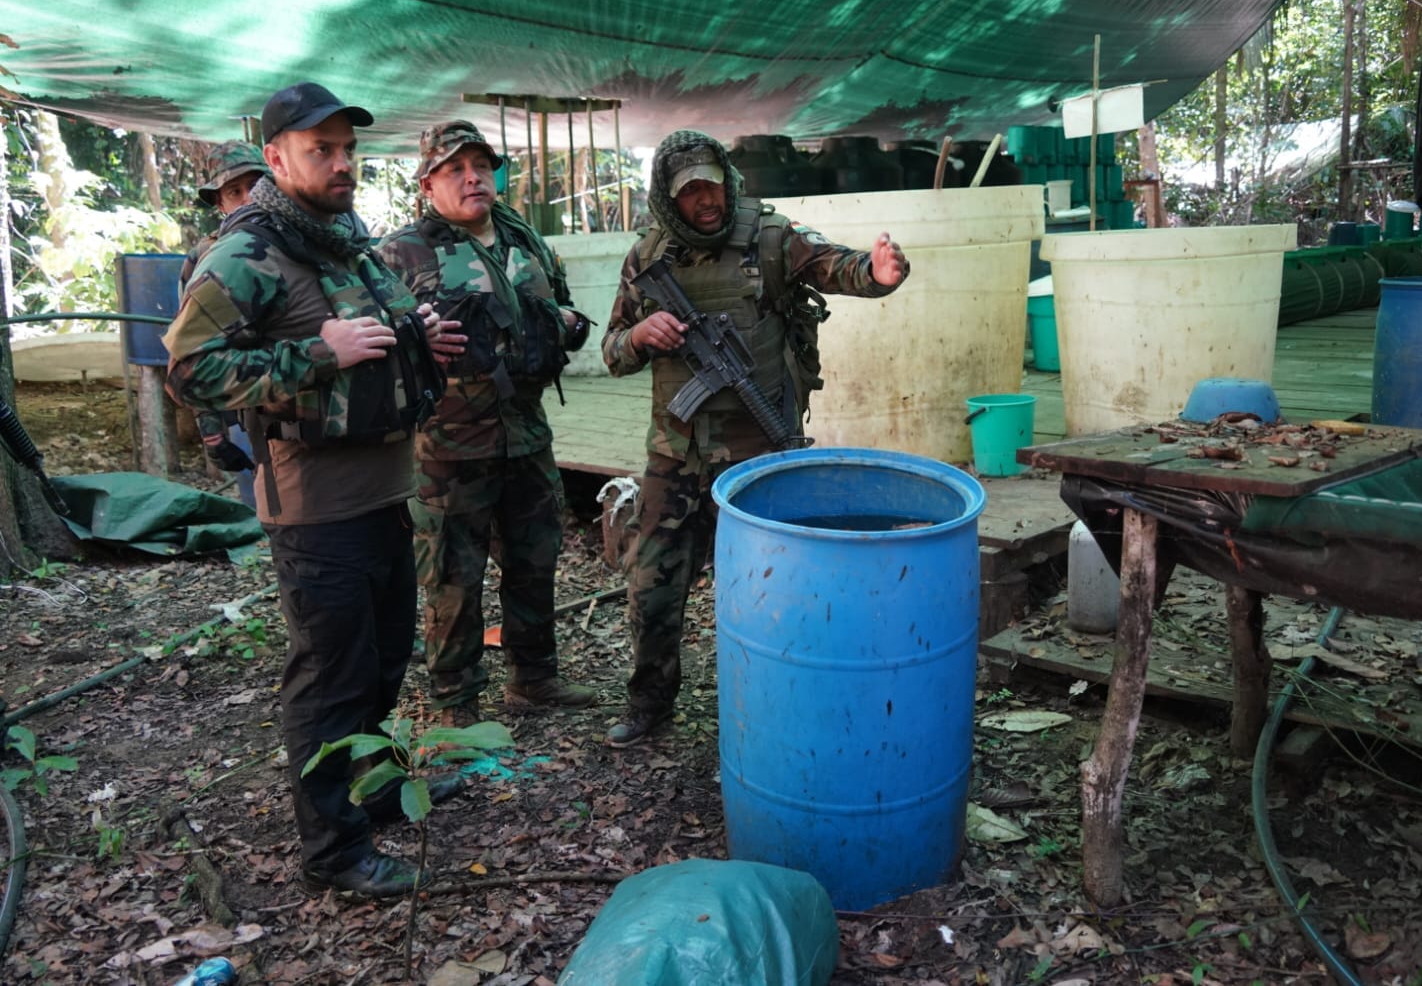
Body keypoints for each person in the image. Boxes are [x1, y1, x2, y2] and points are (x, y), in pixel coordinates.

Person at [162, 82, 463, 899]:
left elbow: (374, 330)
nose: (341, 164)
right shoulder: (249, 254)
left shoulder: (345, 242)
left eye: (347, 148)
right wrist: (317, 354)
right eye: (320, 149)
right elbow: (190, 370)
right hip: (314, 507)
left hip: (383, 491)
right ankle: (334, 849)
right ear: (275, 158)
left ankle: (369, 792)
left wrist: (416, 335)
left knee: (384, 658)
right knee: (329, 677)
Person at [600, 129, 910, 747]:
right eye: (690, 192)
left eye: (713, 184)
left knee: (778, 594)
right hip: (677, 455)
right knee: (652, 588)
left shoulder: (769, 237)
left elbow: (833, 264)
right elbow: (612, 353)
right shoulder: (647, 259)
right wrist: (640, 337)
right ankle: (650, 705)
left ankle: (781, 703)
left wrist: (876, 274)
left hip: (762, 456)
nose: (706, 200)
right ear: (669, 197)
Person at [376, 121, 596, 731]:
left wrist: (565, 323)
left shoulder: (525, 238)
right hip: (448, 445)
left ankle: (535, 678)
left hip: (526, 434)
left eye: (481, 166)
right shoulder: (399, 254)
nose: (473, 178)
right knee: (452, 577)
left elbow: (557, 306)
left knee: (535, 559)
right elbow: (376, 349)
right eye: (455, 169)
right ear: (427, 184)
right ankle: (456, 705)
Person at [179, 141, 271, 506]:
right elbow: (193, 354)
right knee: (264, 510)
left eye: (257, 186)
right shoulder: (207, 259)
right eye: (235, 191)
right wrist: (213, 433)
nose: (249, 198)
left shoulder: (302, 244)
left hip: (309, 409)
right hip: (246, 406)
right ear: (220, 204)